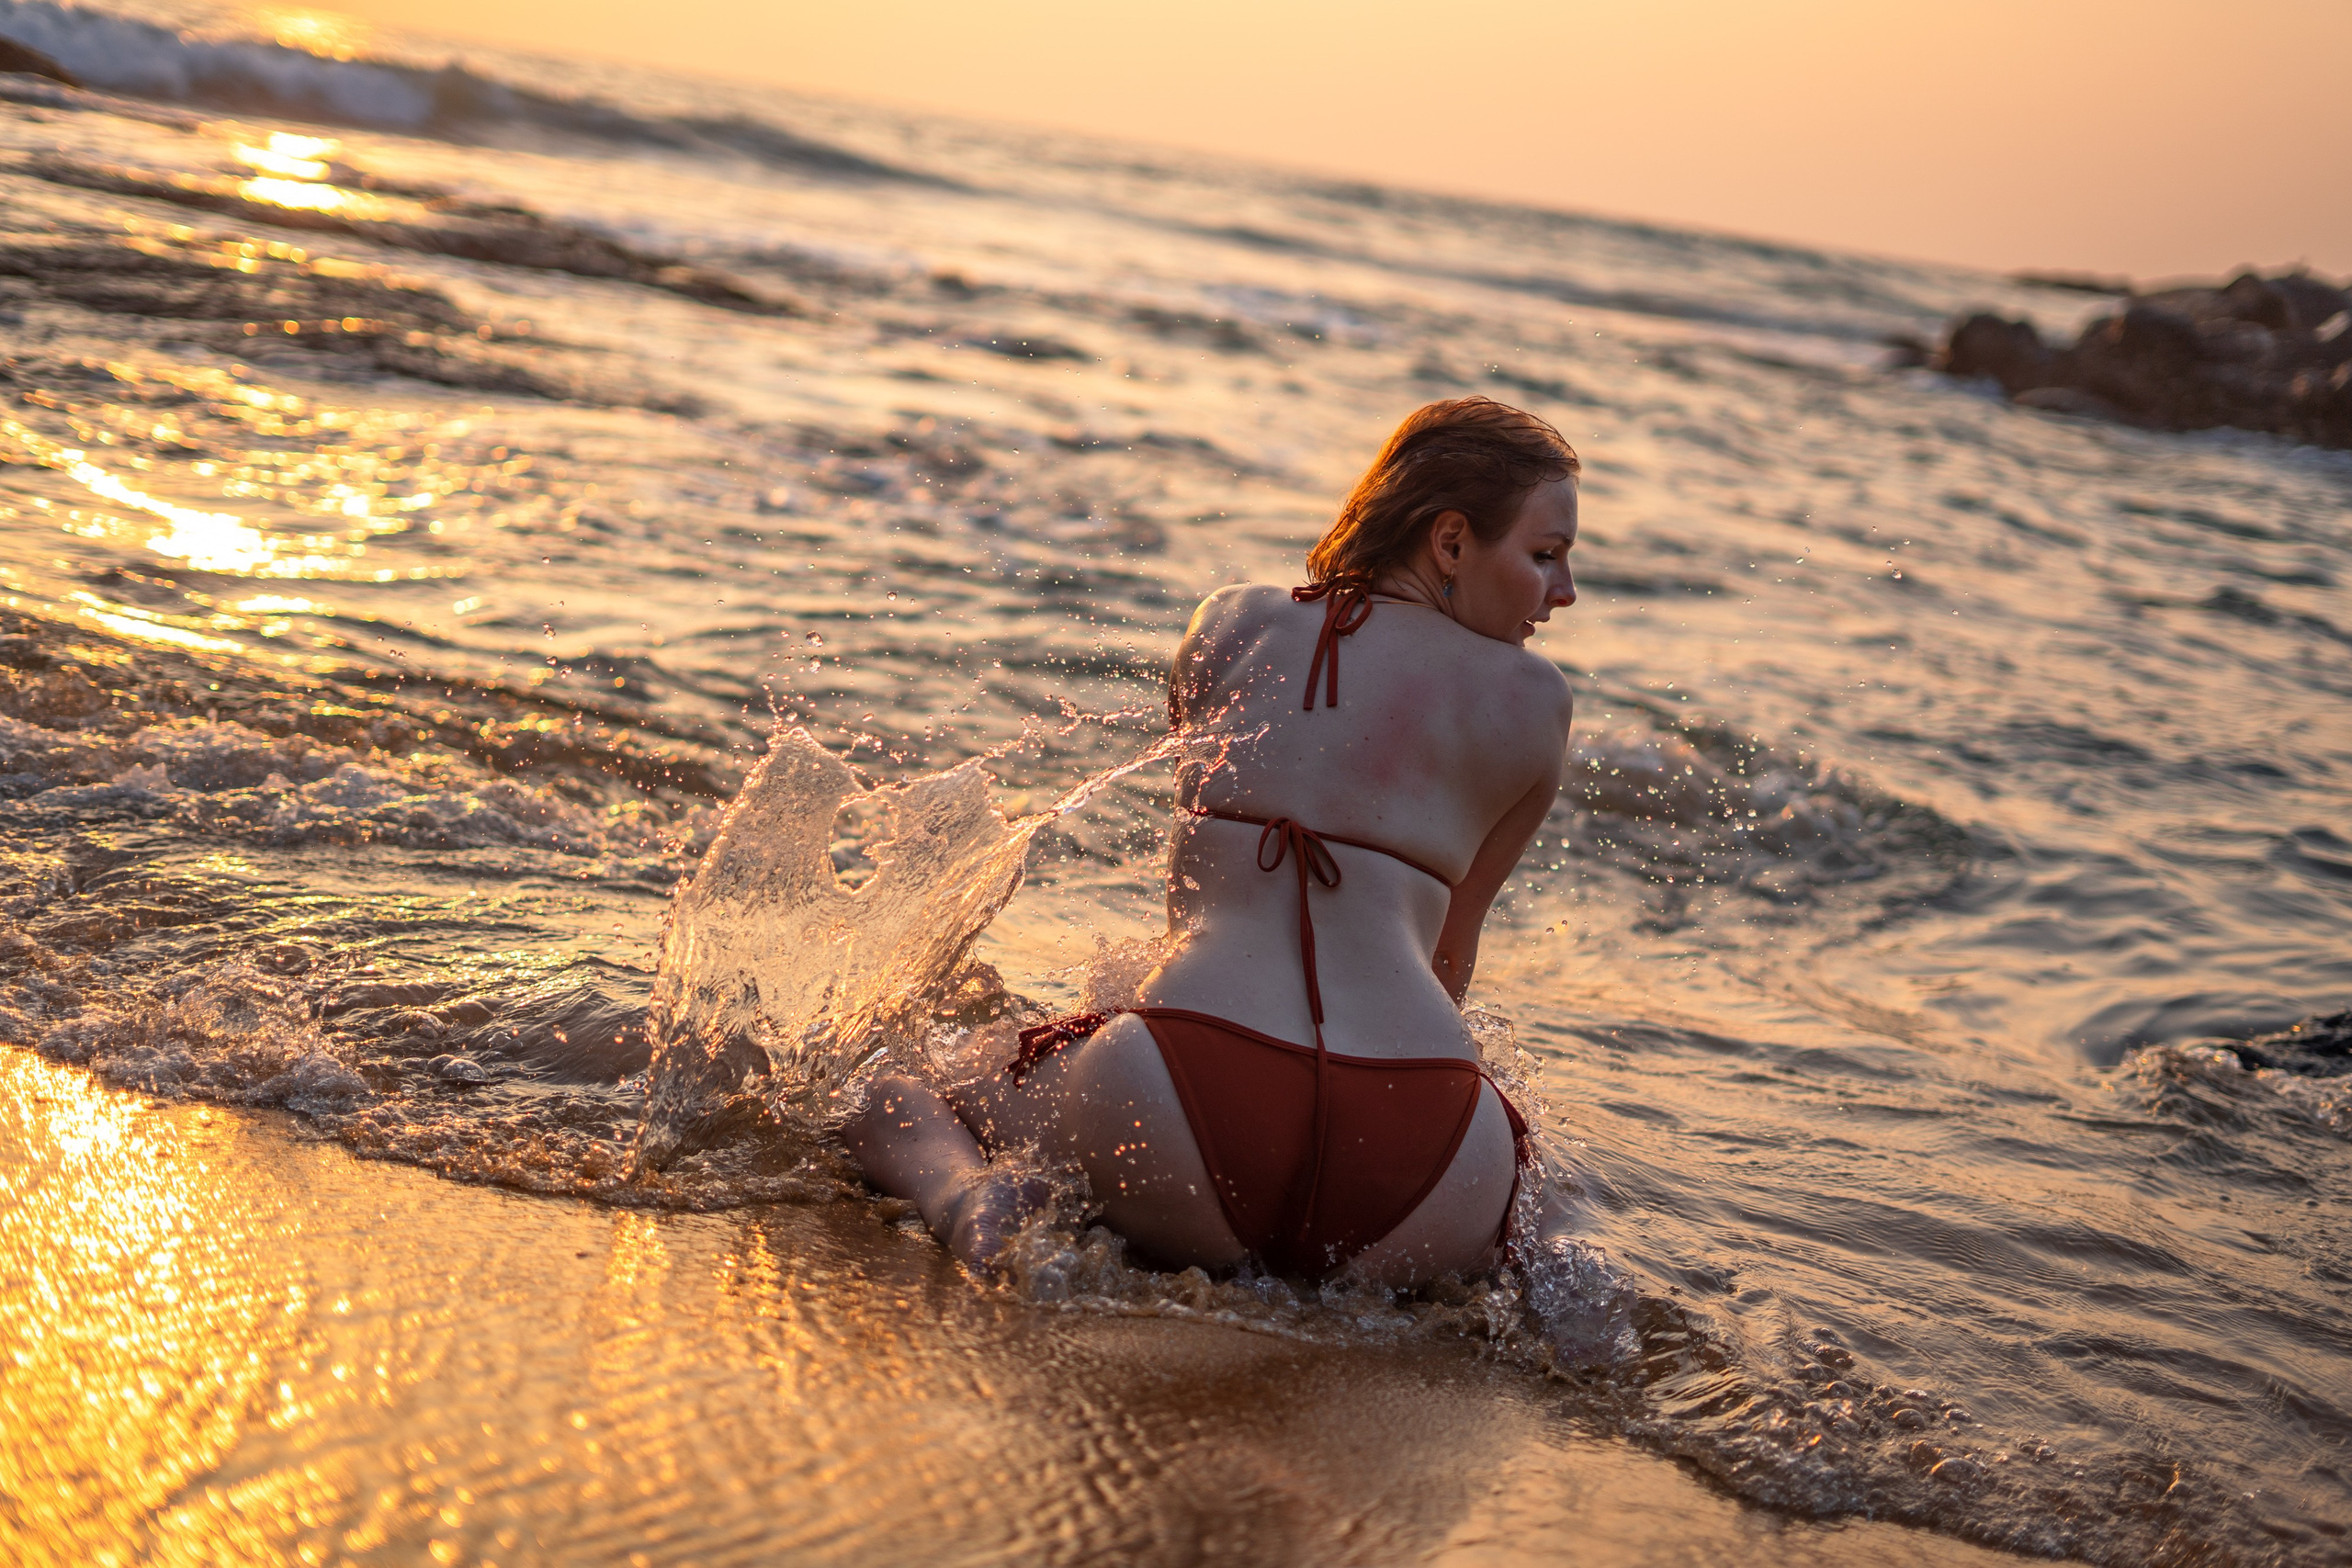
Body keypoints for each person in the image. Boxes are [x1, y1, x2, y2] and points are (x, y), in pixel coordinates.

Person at [848, 397, 1580, 1287]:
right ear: (1451, 542)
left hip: (1182, 1100)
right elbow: (1445, 967)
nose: (1564, 592)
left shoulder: (1230, 626)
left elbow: (1195, 908)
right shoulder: (1535, 707)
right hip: (1427, 1147)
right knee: (1536, 1199)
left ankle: (968, 1202)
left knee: (888, 1088)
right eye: (1544, 557)